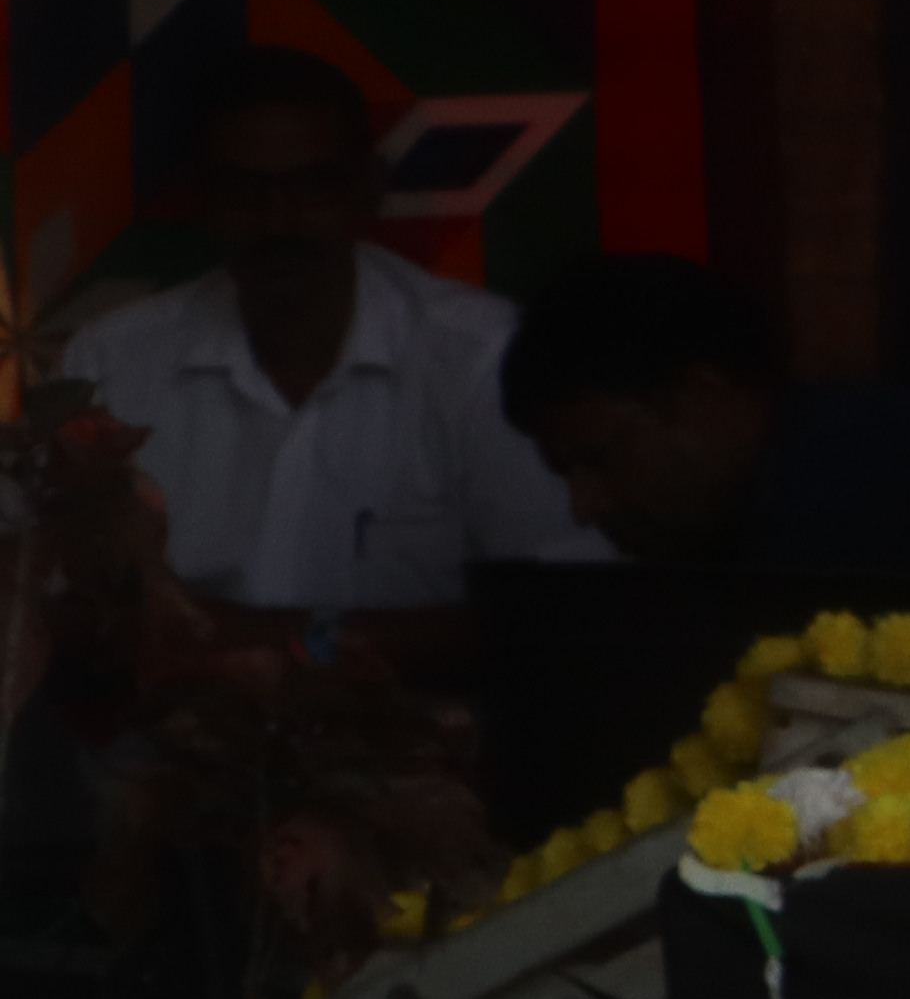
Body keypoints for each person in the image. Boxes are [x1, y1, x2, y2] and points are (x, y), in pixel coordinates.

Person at [53, 48, 601, 658]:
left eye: (312, 186)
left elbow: (565, 614)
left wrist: (257, 642)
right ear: (198, 197)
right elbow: (38, 590)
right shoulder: (110, 362)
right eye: (242, 191)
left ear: (369, 188)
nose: (277, 221)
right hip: (166, 718)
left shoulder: (488, 361)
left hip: (417, 721)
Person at [497, 252, 910, 622]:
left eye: (603, 459)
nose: (585, 506)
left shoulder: (857, 473)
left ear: (702, 400)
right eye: (567, 475)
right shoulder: (758, 500)